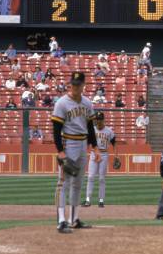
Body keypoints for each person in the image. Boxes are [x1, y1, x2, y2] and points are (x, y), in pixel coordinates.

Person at [52, 71, 100, 233]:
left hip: (82, 144)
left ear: (83, 86)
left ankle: (74, 219)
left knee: (78, 183)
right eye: (73, 84)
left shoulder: (87, 103)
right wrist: (60, 151)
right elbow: (56, 129)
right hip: (68, 143)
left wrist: (95, 147)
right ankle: (61, 220)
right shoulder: (62, 103)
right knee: (63, 183)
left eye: (78, 84)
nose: (75, 87)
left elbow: (90, 127)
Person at [83, 112, 116, 208]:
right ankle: (88, 199)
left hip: (104, 154)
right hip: (93, 154)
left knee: (101, 178)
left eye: (100, 119)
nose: (98, 121)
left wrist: (116, 155)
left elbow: (114, 143)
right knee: (90, 177)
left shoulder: (109, 131)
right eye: (97, 119)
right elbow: (88, 143)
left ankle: (101, 200)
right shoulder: (92, 130)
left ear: (103, 120)